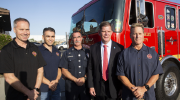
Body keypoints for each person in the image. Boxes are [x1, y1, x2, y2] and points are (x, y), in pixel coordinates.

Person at [0, 18, 46, 100]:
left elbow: (40, 70)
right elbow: (9, 77)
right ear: (14, 30)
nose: (25, 32)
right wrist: (29, 93)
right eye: (21, 29)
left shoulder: (34, 48)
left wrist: (35, 90)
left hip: (35, 95)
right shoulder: (6, 50)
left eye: (27, 29)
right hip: (16, 97)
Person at [116, 23, 163, 100]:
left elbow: (156, 74)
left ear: (143, 35)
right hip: (129, 96)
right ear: (130, 35)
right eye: (135, 34)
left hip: (148, 96)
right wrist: (134, 90)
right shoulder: (123, 54)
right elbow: (120, 75)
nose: (138, 36)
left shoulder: (152, 53)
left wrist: (143, 89)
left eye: (140, 33)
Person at [87, 21, 124, 100]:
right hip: (98, 88)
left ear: (111, 32)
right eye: (104, 31)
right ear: (99, 32)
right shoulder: (93, 48)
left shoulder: (119, 48)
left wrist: (121, 87)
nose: (106, 34)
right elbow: (90, 68)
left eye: (108, 31)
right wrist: (91, 86)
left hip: (114, 88)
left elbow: (122, 69)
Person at [59, 31, 91, 100]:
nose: (76, 39)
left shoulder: (88, 52)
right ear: (72, 39)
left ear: (82, 38)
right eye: (74, 37)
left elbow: (91, 68)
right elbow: (64, 70)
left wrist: (84, 78)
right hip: (71, 86)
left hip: (85, 86)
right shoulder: (66, 53)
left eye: (78, 37)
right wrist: (75, 80)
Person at [38, 27, 62, 100]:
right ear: (43, 37)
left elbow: (59, 68)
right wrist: (49, 83)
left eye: (52, 36)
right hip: (43, 89)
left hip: (56, 88)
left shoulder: (57, 51)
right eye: (48, 36)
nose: (50, 39)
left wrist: (56, 81)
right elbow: (36, 71)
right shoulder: (38, 51)